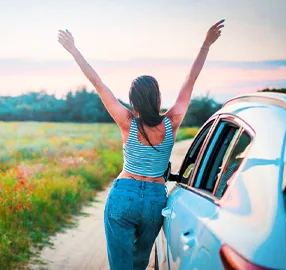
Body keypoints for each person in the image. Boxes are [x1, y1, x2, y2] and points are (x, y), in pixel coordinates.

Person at [58, 19, 224, 270]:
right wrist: (205, 44)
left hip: (124, 194)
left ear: (132, 100)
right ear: (157, 97)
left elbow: (97, 82)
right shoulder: (172, 122)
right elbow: (189, 81)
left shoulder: (127, 122)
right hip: (155, 201)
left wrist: (73, 50)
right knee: (139, 264)